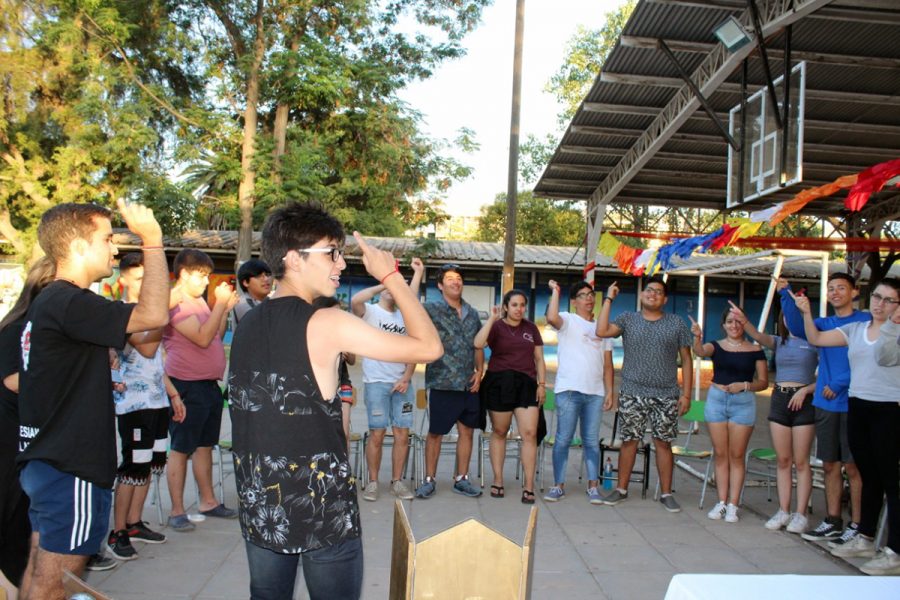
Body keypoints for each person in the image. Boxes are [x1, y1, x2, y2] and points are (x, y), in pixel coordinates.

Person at [228, 201, 442, 600]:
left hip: (261, 503)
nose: (340, 264)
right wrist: (393, 277)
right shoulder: (326, 323)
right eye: (331, 253)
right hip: (320, 507)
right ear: (293, 259)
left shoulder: (247, 323)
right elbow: (428, 346)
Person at [16, 201, 169, 599]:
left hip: (49, 462)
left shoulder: (54, 302)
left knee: (38, 576)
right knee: (55, 585)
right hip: (72, 468)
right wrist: (152, 241)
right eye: (106, 239)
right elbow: (154, 314)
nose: (114, 250)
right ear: (79, 246)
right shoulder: (69, 301)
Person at [792, 279, 900, 575]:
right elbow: (815, 337)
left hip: (889, 409)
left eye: (889, 300)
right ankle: (865, 536)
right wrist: (805, 311)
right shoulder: (855, 330)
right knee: (868, 475)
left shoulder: (895, 331)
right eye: (877, 297)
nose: (880, 304)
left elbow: (885, 356)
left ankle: (894, 551)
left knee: (892, 480)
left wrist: (892, 325)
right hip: (858, 405)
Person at [106, 253, 187, 561]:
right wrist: (163, 308)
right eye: (140, 280)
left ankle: (135, 522)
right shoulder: (123, 315)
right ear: (123, 279)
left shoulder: (150, 314)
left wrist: (174, 395)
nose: (147, 286)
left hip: (156, 402)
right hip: (133, 406)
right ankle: (118, 531)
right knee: (132, 468)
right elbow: (148, 345)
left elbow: (154, 363)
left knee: (151, 465)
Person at [780, 273, 868, 545]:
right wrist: (786, 294)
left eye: (841, 288)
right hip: (826, 404)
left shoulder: (864, 321)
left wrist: (841, 382)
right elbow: (797, 328)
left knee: (854, 467)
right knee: (830, 464)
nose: (835, 292)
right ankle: (832, 520)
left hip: (855, 401)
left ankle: (858, 524)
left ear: (854, 292)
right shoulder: (823, 324)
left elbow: (868, 360)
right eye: (831, 289)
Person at [595, 276, 693, 512]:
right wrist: (608, 298)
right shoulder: (628, 319)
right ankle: (621, 489)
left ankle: (666, 493)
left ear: (665, 299)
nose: (653, 294)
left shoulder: (677, 323)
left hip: (667, 394)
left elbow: (687, 361)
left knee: (663, 443)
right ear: (641, 295)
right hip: (632, 391)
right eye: (649, 290)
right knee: (629, 441)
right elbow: (601, 330)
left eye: (658, 292)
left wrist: (687, 394)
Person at [163, 249, 239, 531]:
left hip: (207, 385)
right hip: (186, 384)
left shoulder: (197, 302)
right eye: (200, 275)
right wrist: (219, 304)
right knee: (181, 448)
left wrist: (223, 309)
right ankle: (177, 509)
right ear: (183, 273)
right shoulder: (175, 302)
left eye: (207, 276)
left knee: (205, 445)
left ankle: (208, 501)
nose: (205, 282)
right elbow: (202, 338)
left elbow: (216, 334)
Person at [732, 301, 817, 533]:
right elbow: (756, 335)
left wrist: (806, 389)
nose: (792, 321)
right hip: (780, 399)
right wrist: (742, 318)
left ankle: (801, 514)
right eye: (788, 316)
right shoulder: (780, 342)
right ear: (783, 320)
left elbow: (826, 375)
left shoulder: (815, 341)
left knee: (801, 461)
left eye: (797, 317)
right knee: (783, 460)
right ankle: (783, 510)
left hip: (804, 401)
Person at [0, 258, 55, 594]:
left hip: (29, 440)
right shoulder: (19, 327)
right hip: (9, 439)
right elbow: (13, 380)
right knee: (10, 523)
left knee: (21, 527)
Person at [350, 257, 424, 502]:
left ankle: (397, 481)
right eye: (391, 287)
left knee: (402, 434)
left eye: (398, 287)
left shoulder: (405, 317)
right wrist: (385, 282)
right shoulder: (371, 311)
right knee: (377, 433)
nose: (394, 290)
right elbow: (355, 301)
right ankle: (373, 482)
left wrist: (407, 377)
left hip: (402, 385)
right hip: (376, 384)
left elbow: (415, 348)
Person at [689, 307, 768, 523]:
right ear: (723, 325)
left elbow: (763, 382)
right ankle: (721, 502)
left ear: (744, 323)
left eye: (738, 322)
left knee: (737, 455)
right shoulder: (715, 346)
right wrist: (697, 337)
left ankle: (733, 504)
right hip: (716, 400)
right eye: (729, 322)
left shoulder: (755, 350)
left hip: (743, 403)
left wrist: (744, 385)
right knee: (721, 454)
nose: (734, 325)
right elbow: (700, 352)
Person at [415, 264, 484, 500]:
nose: (456, 282)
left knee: (467, 432)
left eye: (458, 278)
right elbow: (410, 306)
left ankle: (462, 479)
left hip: (468, 384)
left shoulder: (472, 313)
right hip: (442, 381)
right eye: (450, 279)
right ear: (440, 285)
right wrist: (416, 274)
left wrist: (480, 370)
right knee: (435, 433)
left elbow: (478, 344)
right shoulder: (432, 309)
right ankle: (429, 480)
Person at [543, 280, 614, 504]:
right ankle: (558, 485)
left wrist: (610, 391)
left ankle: (593, 487)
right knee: (563, 439)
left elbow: (608, 364)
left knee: (591, 441)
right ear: (574, 302)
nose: (589, 299)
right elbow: (551, 318)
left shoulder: (603, 327)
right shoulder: (568, 320)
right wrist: (556, 291)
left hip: (595, 393)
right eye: (583, 295)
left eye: (591, 294)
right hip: (569, 390)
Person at [473, 289, 546, 504]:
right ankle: (497, 480)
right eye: (514, 305)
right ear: (506, 306)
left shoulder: (531, 328)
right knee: (500, 431)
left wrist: (542, 385)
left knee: (530, 433)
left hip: (526, 384)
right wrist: (492, 319)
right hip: (499, 382)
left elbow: (539, 359)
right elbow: (478, 344)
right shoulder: (496, 326)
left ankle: (529, 485)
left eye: (522, 305)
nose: (519, 309)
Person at [232, 258, 272, 324]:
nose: (266, 279)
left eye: (267, 274)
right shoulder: (242, 303)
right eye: (258, 276)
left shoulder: (270, 301)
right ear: (246, 283)